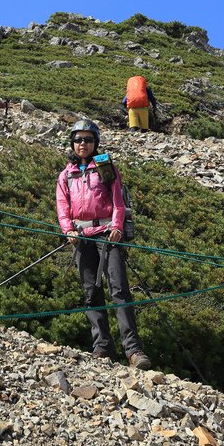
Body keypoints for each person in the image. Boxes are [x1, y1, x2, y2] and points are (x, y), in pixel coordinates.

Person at [55, 119, 152, 369]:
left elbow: (118, 199)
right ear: (72, 143)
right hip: (81, 236)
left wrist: (118, 225)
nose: (83, 144)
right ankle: (102, 348)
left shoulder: (105, 166)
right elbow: (63, 206)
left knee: (119, 289)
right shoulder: (66, 175)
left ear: (95, 143)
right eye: (78, 139)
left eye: (88, 139)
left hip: (108, 234)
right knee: (91, 292)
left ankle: (133, 351)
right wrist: (68, 230)